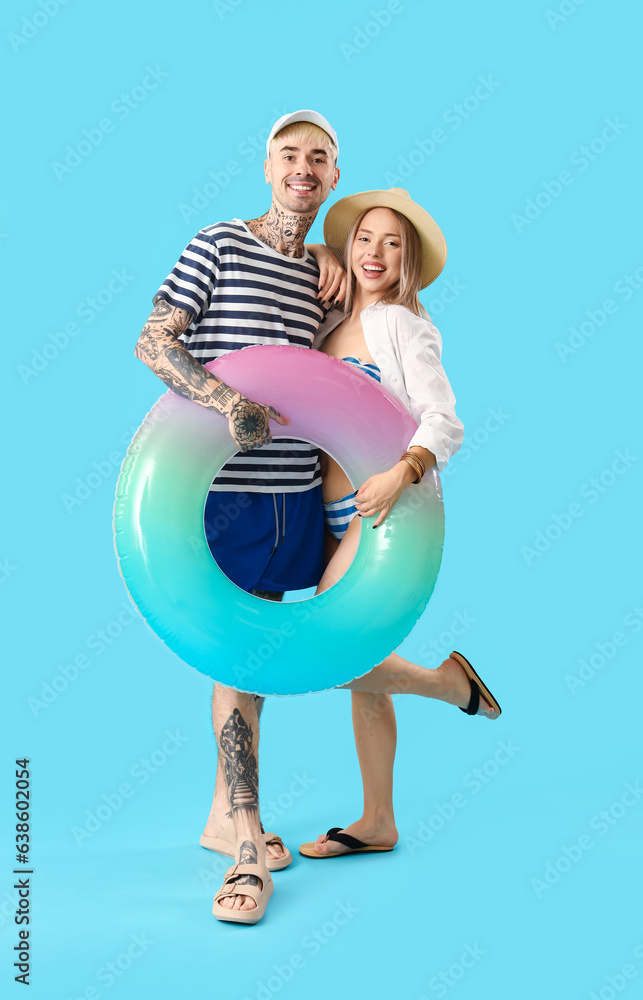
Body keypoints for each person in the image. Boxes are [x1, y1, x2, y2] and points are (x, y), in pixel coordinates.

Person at [134, 110, 345, 923]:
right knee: (238, 656)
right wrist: (226, 400)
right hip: (228, 495)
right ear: (266, 165)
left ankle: (222, 818)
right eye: (289, 154)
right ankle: (247, 838)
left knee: (259, 657)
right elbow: (153, 341)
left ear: (332, 177)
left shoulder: (318, 275)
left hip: (300, 498)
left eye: (317, 159)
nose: (302, 168)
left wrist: (329, 258)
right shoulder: (217, 243)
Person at [295, 188, 502, 860]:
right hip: (329, 511)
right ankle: (377, 820)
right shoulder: (329, 322)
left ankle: (449, 685)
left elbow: (445, 422)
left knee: (335, 648)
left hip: (388, 504)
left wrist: (400, 471)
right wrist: (321, 250)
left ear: (407, 259)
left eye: (392, 243)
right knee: (363, 663)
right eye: (364, 239)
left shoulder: (404, 325)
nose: (375, 253)